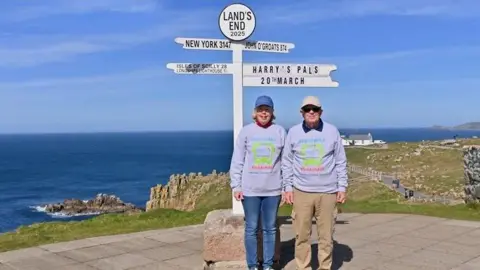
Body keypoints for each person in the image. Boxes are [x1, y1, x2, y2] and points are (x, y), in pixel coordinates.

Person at [282, 96, 348, 270]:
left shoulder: (332, 131)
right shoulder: (293, 132)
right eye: (307, 109)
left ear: (321, 112)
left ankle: (324, 267)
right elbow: (287, 161)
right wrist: (287, 188)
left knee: (326, 236)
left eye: (315, 109)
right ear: (301, 113)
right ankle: (303, 267)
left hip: (327, 192)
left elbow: (340, 160)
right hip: (301, 192)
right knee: (302, 235)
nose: (311, 112)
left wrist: (342, 187)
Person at [229, 95, 287, 270]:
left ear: (272, 112)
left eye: (267, 109)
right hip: (250, 190)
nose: (264, 112)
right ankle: (253, 265)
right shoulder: (246, 132)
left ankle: (268, 265)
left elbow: (286, 162)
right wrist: (236, 185)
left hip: (273, 190)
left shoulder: (280, 131)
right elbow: (237, 159)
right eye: (261, 109)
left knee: (270, 228)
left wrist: (286, 187)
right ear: (254, 113)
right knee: (251, 228)